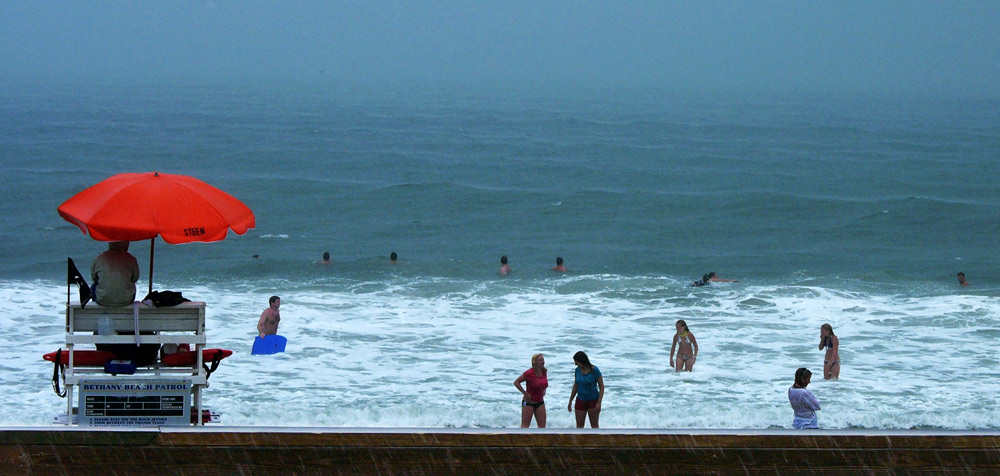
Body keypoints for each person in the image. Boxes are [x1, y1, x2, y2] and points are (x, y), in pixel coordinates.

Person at [91, 241, 139, 307]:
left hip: (102, 300)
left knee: (94, 286)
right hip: (126, 300)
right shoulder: (132, 259)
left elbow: (94, 278)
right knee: (130, 285)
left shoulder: (99, 258)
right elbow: (134, 279)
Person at [567, 351, 604, 428]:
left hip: (593, 400)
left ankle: (596, 440)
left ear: (582, 361)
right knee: (579, 426)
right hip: (580, 399)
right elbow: (576, 386)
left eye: (576, 362)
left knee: (594, 425)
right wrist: (570, 400)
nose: (575, 364)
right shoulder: (577, 370)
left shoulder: (595, 370)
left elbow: (602, 387)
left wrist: (599, 402)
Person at [514, 353, 548, 428]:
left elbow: (543, 383)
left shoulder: (544, 371)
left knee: (542, 427)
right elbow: (516, 382)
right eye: (540, 360)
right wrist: (525, 393)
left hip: (540, 402)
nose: (543, 362)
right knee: (525, 427)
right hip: (528, 402)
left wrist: (544, 390)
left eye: (543, 360)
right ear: (535, 362)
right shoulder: (529, 373)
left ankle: (540, 440)